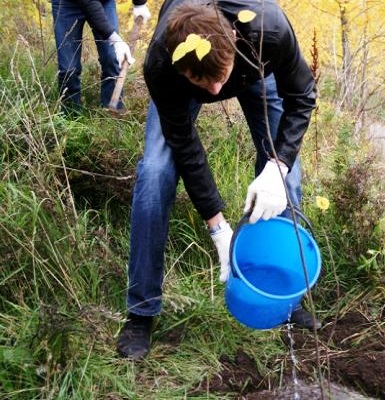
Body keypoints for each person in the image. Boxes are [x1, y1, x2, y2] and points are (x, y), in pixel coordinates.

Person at [116, 0, 320, 360]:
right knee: (155, 174)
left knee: (288, 179)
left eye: (218, 78)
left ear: (234, 44)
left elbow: (302, 96)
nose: (213, 92)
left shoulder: (267, 29)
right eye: (201, 81)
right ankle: (141, 310)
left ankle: (283, 299)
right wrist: (218, 228)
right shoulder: (163, 65)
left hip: (253, 68)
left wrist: (278, 165)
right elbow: (185, 146)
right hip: (188, 80)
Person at [50, 0, 151, 113]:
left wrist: (139, 4)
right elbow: (88, 3)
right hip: (66, 4)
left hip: (104, 2)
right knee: (68, 70)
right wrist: (115, 40)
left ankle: (112, 114)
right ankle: (70, 116)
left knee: (112, 58)